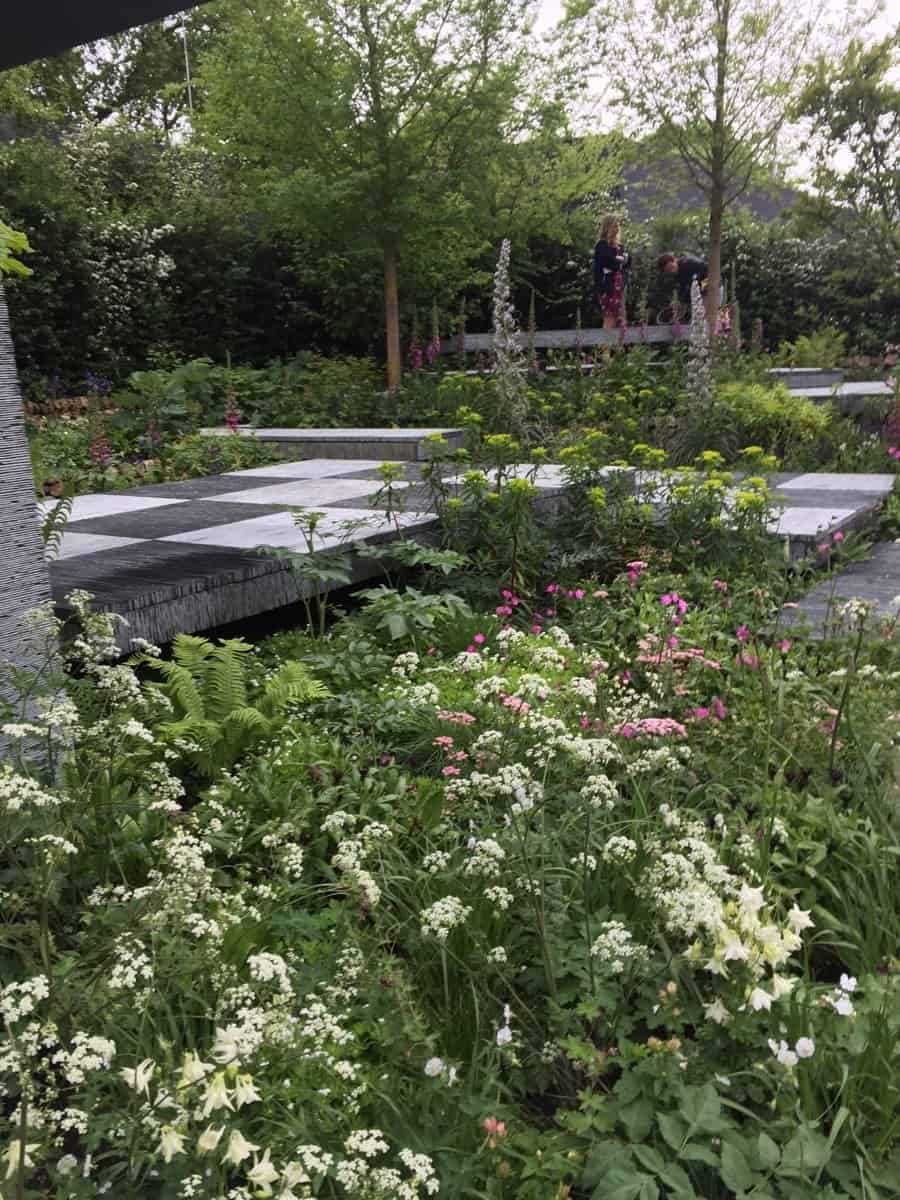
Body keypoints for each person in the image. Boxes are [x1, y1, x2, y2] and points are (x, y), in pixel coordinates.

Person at [593, 216, 631, 330]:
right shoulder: (601, 245)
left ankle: (619, 346)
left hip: (620, 286)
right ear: (608, 228)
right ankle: (605, 346)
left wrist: (621, 261)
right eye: (614, 226)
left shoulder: (619, 247)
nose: (617, 229)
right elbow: (610, 263)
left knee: (622, 317)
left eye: (618, 226)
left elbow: (627, 263)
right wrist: (620, 261)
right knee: (610, 317)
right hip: (607, 287)